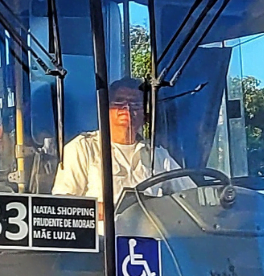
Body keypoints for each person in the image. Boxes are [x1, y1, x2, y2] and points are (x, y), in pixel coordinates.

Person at [52, 78, 183, 206]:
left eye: (135, 103)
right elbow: (64, 205)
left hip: (148, 227)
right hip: (104, 227)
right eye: (119, 102)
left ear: (145, 115)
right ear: (105, 110)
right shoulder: (82, 148)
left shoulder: (158, 155)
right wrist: (103, 211)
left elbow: (189, 194)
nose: (127, 108)